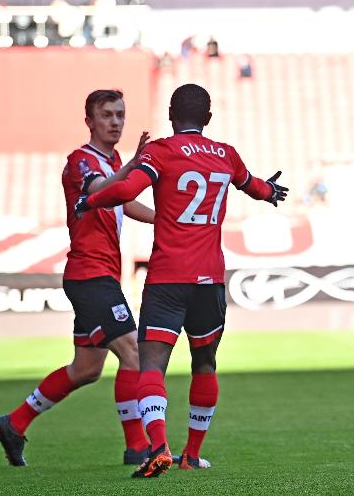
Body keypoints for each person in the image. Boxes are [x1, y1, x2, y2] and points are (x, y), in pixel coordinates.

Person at [74, 83, 288, 478]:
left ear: (171, 116)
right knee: (205, 364)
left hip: (167, 279)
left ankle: (158, 446)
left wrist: (90, 200)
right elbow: (254, 185)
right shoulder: (226, 155)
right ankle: (191, 453)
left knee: (152, 364)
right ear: (208, 118)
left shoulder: (160, 151)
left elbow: (124, 189)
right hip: (210, 282)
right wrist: (270, 191)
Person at [0, 89, 155, 467]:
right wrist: (131, 167)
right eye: (107, 115)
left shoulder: (111, 161)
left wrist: (163, 219)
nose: (115, 122)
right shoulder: (81, 161)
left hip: (100, 276)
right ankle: (137, 448)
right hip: (90, 275)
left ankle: (14, 423)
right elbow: (100, 189)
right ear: (90, 121)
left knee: (86, 369)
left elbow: (123, 199)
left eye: (120, 115)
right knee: (134, 352)